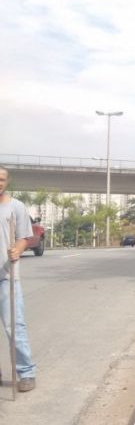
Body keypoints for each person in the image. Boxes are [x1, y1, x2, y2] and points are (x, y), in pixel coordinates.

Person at [0, 165, 37, 392]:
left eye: (2, 179)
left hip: (7, 277)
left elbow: (25, 237)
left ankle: (26, 373)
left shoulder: (16, 207)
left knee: (15, 327)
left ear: (7, 182)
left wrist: (18, 248)